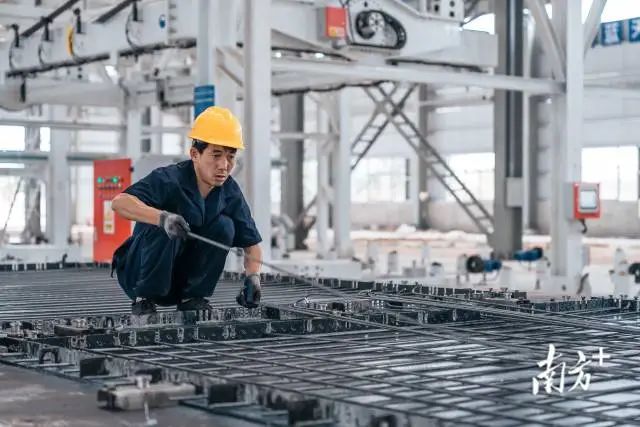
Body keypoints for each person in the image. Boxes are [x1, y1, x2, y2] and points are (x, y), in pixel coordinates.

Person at [111, 106, 263, 315]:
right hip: (140, 276)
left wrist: (253, 277)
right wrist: (162, 218)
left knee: (224, 226)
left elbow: (251, 245)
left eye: (230, 156)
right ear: (194, 154)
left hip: (179, 283)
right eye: (216, 155)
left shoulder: (230, 191)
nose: (224, 165)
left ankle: (193, 298)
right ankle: (144, 299)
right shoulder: (168, 179)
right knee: (163, 223)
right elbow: (119, 202)